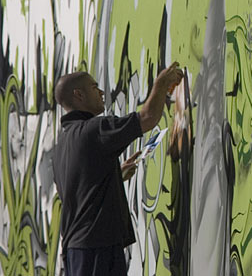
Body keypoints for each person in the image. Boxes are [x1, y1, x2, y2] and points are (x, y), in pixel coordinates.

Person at [52, 62, 184, 276]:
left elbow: (77, 189)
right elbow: (148, 118)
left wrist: (115, 175)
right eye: (94, 87)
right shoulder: (94, 130)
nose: (102, 92)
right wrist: (161, 84)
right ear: (79, 95)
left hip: (77, 249)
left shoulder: (62, 144)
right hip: (96, 248)